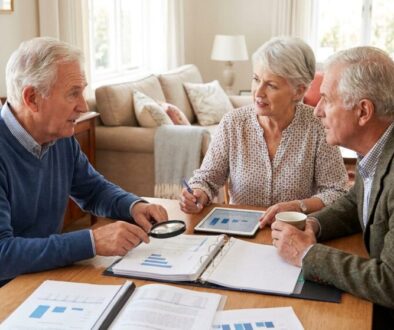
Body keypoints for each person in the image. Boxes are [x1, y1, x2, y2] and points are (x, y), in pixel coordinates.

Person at [0, 37, 168, 286]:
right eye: (73, 94)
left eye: (83, 90)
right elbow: (4, 254)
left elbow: (93, 190)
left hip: (42, 278)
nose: (83, 105)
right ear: (32, 98)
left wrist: (133, 206)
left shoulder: (59, 135)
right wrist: (92, 241)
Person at [271, 46, 394, 327]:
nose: (317, 112)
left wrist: (306, 254)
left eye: (326, 99)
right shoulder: (377, 148)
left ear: (363, 111)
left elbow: (389, 282)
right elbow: (356, 203)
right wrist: (314, 224)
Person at [180, 36, 348, 224]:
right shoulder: (232, 123)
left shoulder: (318, 126)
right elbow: (207, 179)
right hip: (240, 232)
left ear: (299, 91)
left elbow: (337, 192)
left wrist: (299, 205)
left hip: (295, 232)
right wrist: (197, 194)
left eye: (271, 85)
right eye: (256, 79)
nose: (258, 92)